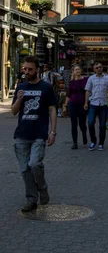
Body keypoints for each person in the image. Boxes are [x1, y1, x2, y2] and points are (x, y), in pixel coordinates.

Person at [11, 55, 57, 213]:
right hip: (22, 134)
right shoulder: (21, 87)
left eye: (30, 69)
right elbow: (13, 111)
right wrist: (18, 99)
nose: (27, 72)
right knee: (24, 169)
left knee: (34, 164)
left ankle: (42, 188)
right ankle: (31, 199)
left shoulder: (46, 87)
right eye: (25, 69)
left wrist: (53, 132)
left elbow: (52, 109)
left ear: (38, 69)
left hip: (39, 133)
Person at [84, 62, 108, 151]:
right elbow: (87, 90)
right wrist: (86, 103)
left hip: (103, 104)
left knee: (102, 125)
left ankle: (101, 143)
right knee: (90, 123)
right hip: (93, 104)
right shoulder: (91, 78)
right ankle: (93, 141)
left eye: (100, 67)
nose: (99, 69)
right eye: (97, 67)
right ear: (94, 69)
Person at [63, 64, 88, 149]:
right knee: (74, 124)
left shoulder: (86, 80)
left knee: (82, 123)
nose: (77, 71)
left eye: (78, 69)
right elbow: (68, 94)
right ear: (73, 72)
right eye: (75, 70)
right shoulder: (72, 82)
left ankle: (84, 135)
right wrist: (65, 105)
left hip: (82, 104)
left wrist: (86, 103)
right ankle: (75, 142)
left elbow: (88, 92)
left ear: (81, 71)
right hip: (72, 104)